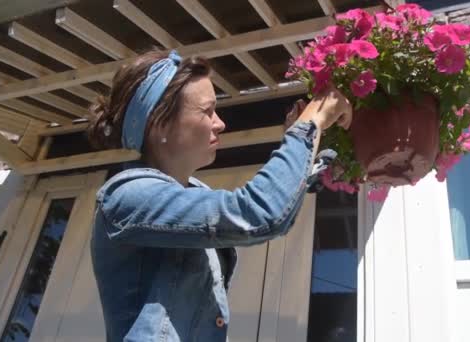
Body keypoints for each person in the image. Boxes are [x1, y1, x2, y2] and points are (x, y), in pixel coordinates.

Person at [88, 49, 352, 342]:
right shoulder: (126, 196)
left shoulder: (193, 193)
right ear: (158, 125)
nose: (220, 123)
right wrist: (310, 123)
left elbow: (274, 212)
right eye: (207, 111)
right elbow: (260, 214)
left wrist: (314, 162)